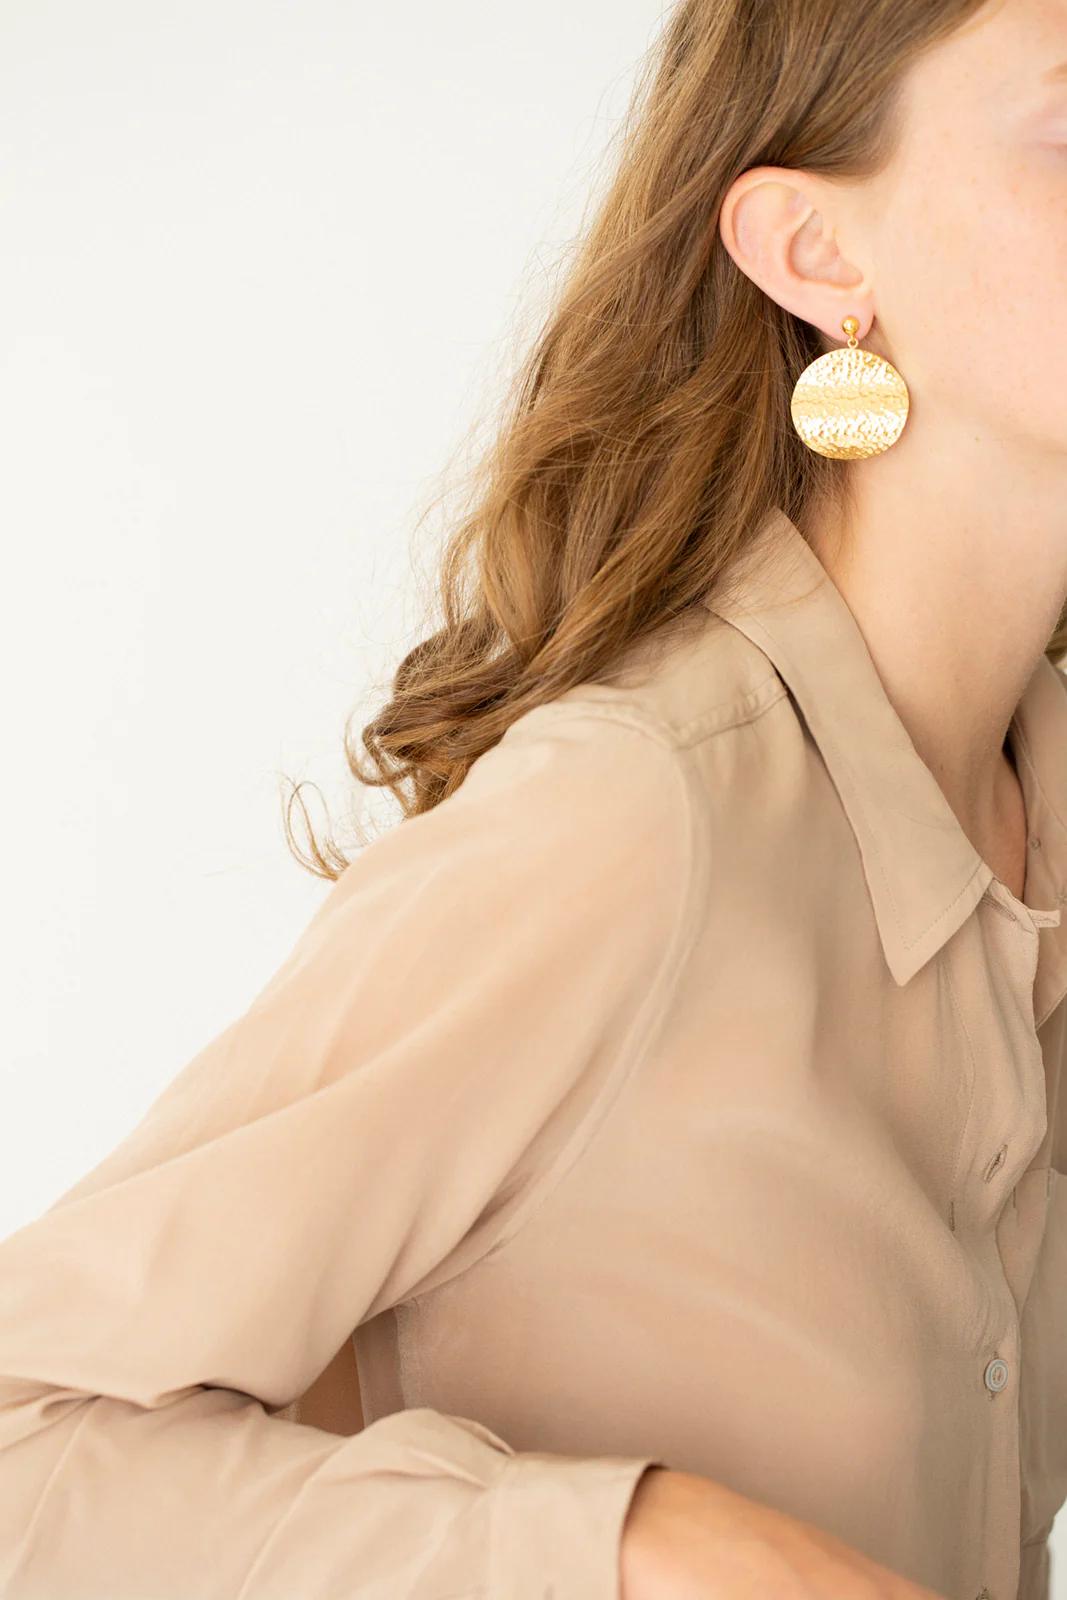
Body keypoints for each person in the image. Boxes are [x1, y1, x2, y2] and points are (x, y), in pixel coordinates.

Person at [2, 0, 1066, 1595]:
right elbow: (31, 1438)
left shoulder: (1032, 834)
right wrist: (650, 1546)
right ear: (815, 253)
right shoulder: (632, 823)